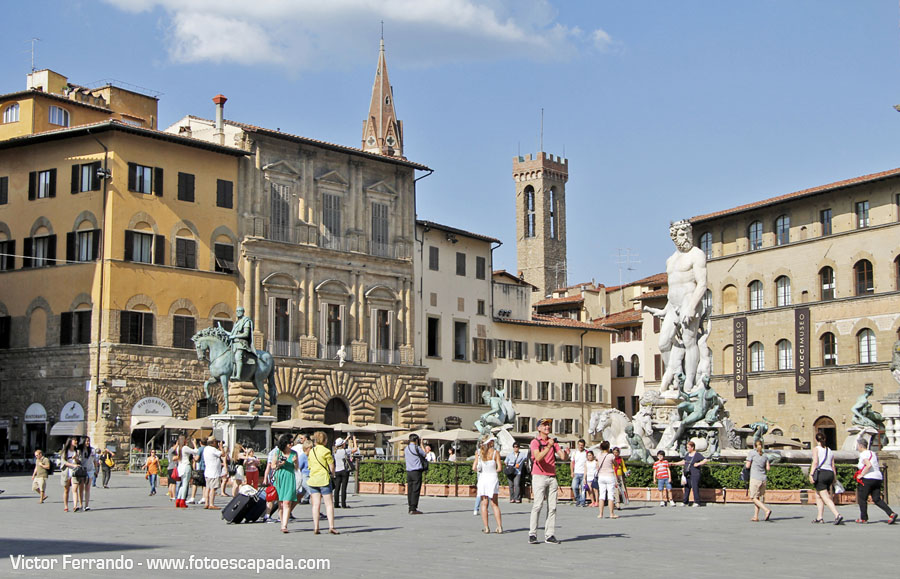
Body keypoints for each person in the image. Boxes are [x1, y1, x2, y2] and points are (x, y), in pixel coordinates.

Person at [528, 418, 569, 544]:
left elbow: (562, 457)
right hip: (539, 476)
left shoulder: (553, 442)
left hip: (552, 476)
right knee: (538, 505)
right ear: (539, 428)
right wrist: (548, 446)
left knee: (553, 507)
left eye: (548, 425)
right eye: (544, 425)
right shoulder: (535, 442)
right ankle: (532, 533)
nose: (547, 427)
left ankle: (549, 534)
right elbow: (538, 457)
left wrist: (566, 453)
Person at [854, 438, 897, 524]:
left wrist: (861, 474)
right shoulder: (872, 453)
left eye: (857, 445)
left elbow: (868, 465)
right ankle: (891, 513)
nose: (857, 447)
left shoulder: (863, 454)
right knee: (877, 499)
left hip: (868, 478)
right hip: (877, 478)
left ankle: (864, 518)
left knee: (862, 498)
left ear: (860, 446)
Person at [308, 431, 339, 534]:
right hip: (324, 479)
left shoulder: (311, 451)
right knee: (329, 504)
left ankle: (316, 526)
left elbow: (309, 466)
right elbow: (331, 466)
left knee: (316, 504)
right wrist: (333, 474)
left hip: (313, 480)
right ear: (325, 441)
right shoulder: (326, 451)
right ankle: (331, 526)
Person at [809, 432, 842, 524]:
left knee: (825, 496)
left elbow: (815, 462)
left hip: (821, 473)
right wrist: (834, 478)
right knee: (818, 495)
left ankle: (837, 515)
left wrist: (811, 474)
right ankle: (819, 517)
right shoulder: (830, 450)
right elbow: (833, 465)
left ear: (816, 440)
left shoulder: (816, 449)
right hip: (830, 473)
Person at [474, 435, 503, 533]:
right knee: (495, 503)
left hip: (483, 478)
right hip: (492, 477)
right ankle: (499, 526)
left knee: (484, 503)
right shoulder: (495, 453)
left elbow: (474, 467)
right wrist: (493, 470)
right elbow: (499, 468)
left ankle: (486, 527)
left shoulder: (479, 453)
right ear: (489, 442)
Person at [272, 433, 298, 534]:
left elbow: (296, 468)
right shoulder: (278, 452)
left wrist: (295, 462)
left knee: (287, 502)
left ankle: (284, 525)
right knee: (281, 503)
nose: (291, 444)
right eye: (290, 442)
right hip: (280, 477)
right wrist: (279, 464)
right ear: (285, 443)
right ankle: (282, 521)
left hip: (289, 477)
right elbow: (273, 466)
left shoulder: (294, 453)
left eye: (292, 442)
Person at [671, 440, 708, 507]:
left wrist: (698, 464)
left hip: (695, 473)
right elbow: (684, 461)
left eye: (688, 447)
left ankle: (697, 502)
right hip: (688, 473)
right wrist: (675, 464)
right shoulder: (687, 454)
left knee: (694, 487)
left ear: (692, 447)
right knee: (687, 487)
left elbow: (705, 460)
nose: (687, 448)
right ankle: (685, 501)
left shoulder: (697, 455)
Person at [745, 440, 772, 522]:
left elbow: (747, 466)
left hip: (755, 478)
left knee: (753, 497)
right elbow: (768, 468)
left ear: (754, 446)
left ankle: (766, 510)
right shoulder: (765, 455)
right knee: (758, 497)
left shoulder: (752, 453)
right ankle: (756, 516)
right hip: (763, 478)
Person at [404, 433, 428, 515]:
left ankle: (410, 507)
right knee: (415, 490)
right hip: (416, 471)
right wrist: (421, 444)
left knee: (410, 490)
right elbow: (425, 454)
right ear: (416, 440)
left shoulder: (406, 448)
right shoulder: (417, 448)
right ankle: (413, 508)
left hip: (409, 472)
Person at [333, 435, 358, 509]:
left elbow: (340, 444)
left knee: (337, 488)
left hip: (337, 470)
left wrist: (346, 438)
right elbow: (355, 449)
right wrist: (354, 441)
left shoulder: (335, 451)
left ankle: (336, 503)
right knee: (344, 488)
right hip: (344, 470)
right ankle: (343, 504)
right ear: (343, 444)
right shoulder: (345, 451)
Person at [175, 436, 200, 509]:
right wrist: (194, 444)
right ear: (184, 441)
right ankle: (182, 500)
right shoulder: (185, 448)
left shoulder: (178, 448)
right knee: (185, 484)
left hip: (180, 467)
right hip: (186, 466)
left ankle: (178, 500)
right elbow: (196, 451)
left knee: (182, 484)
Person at [596, 441, 618, 519]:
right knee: (610, 495)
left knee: (601, 495)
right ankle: (611, 513)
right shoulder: (611, 456)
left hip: (601, 476)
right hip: (609, 476)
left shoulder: (598, 455)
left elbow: (597, 465)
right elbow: (616, 464)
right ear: (608, 447)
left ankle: (600, 514)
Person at [202, 436, 224, 509]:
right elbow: (223, 454)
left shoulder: (206, 449)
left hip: (208, 471)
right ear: (213, 442)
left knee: (207, 487)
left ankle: (206, 503)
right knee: (213, 488)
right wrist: (221, 447)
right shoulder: (213, 449)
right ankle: (211, 504)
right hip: (214, 472)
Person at [61, 437, 78, 512]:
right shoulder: (65, 451)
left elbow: (79, 461)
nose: (76, 441)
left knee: (74, 489)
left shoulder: (76, 451)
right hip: (67, 472)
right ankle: (66, 506)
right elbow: (64, 462)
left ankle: (75, 506)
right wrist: (73, 465)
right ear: (70, 442)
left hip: (75, 472)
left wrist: (76, 459)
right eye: (75, 440)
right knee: (66, 490)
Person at [570, 439, 588, 507]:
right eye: (580, 445)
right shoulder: (574, 453)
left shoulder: (586, 452)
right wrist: (572, 472)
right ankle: (578, 499)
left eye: (582, 445)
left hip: (584, 473)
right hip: (576, 472)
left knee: (583, 488)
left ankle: (582, 501)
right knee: (574, 487)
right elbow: (572, 463)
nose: (581, 447)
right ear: (578, 445)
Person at [80, 437, 96, 510]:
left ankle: (86, 505)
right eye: (86, 441)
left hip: (90, 470)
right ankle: (80, 504)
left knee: (87, 487)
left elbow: (95, 460)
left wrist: (96, 469)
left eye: (88, 441)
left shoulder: (92, 450)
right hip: (82, 470)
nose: (87, 443)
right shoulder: (80, 450)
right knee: (81, 488)